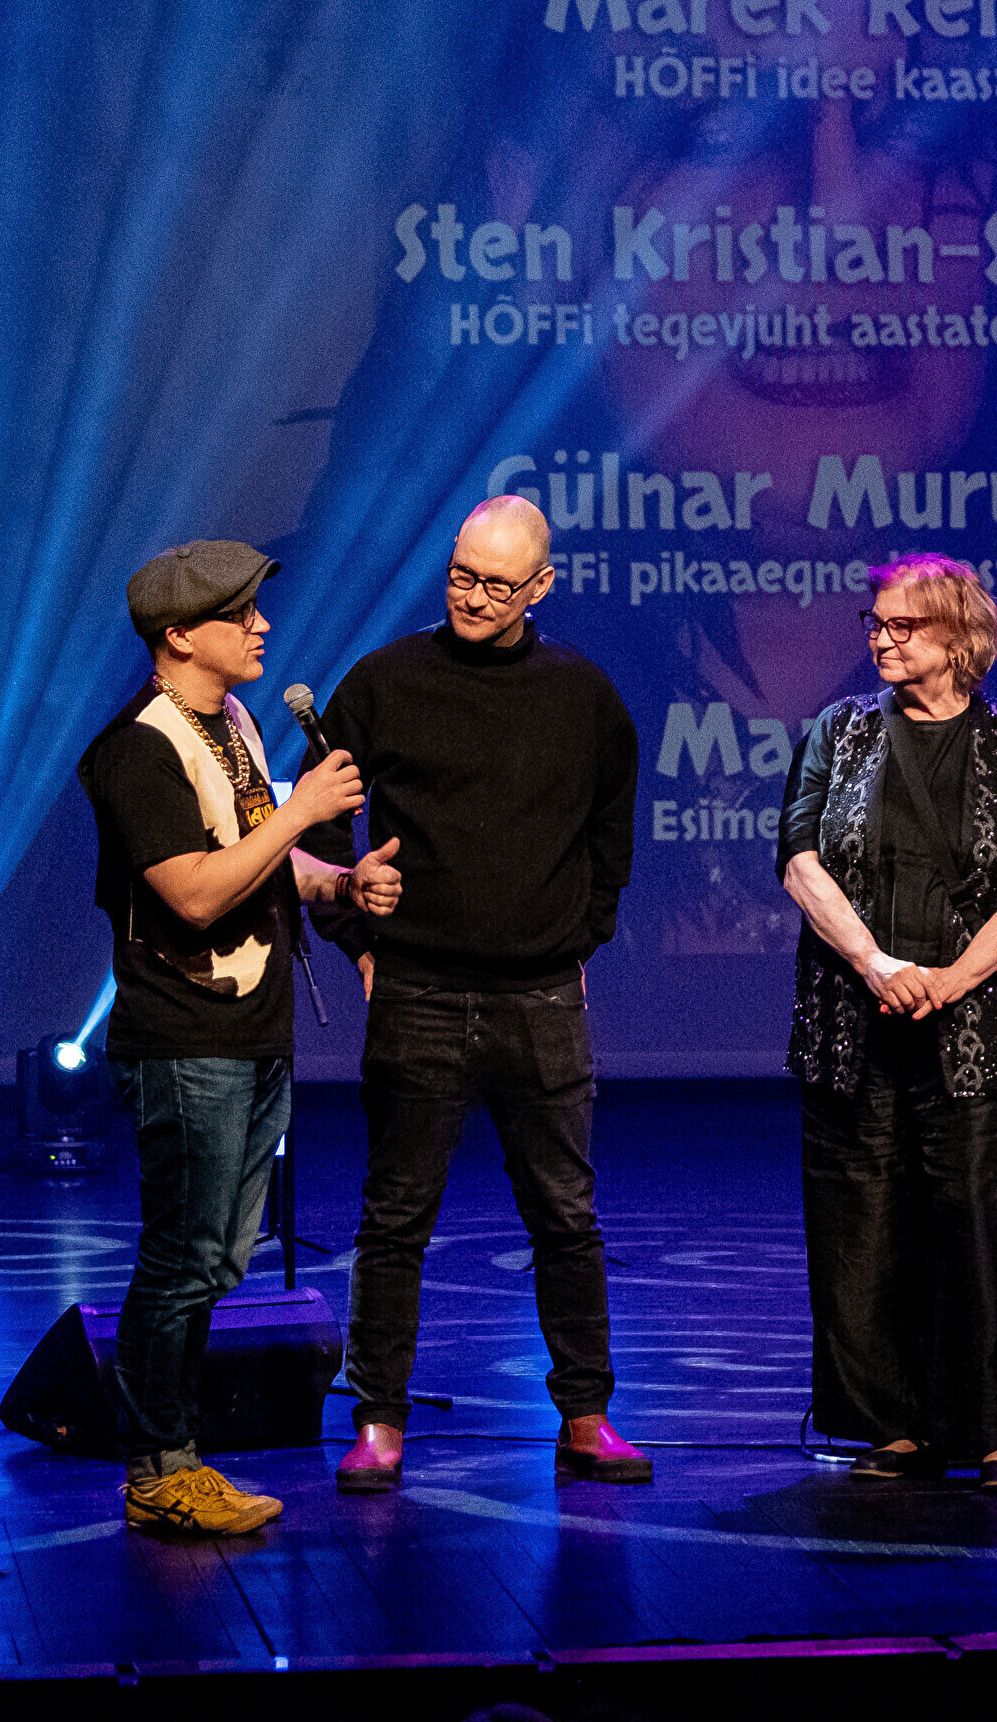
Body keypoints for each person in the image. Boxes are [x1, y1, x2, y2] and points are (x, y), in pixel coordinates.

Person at [316, 495, 647, 1492]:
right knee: (394, 1220)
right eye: (460, 574)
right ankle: (379, 1421)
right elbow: (316, 824)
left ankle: (586, 1416)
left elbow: (610, 837)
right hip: (416, 988)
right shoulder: (384, 682)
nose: (470, 597)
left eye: (496, 585)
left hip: (540, 998)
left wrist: (579, 938)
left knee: (565, 1218)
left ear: (540, 585)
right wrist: (356, 937)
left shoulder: (582, 695)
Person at [79, 540, 401, 1535]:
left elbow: (256, 855)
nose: (262, 626)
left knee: (217, 1260)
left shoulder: (234, 721)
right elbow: (192, 890)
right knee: (183, 1260)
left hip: (251, 1029)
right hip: (185, 1038)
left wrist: (336, 881)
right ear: (180, 634)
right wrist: (302, 811)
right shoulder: (139, 748)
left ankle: (170, 1459)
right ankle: (159, 1468)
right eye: (241, 612)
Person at [777, 554, 997, 1492]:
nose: (880, 638)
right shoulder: (840, 730)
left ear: (960, 637)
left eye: (901, 625)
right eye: (875, 622)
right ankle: (891, 1426)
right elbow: (797, 858)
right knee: (861, 1224)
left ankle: (992, 1431)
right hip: (853, 1017)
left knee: (968, 1220)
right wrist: (876, 963)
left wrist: (951, 980)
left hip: (971, 1023)